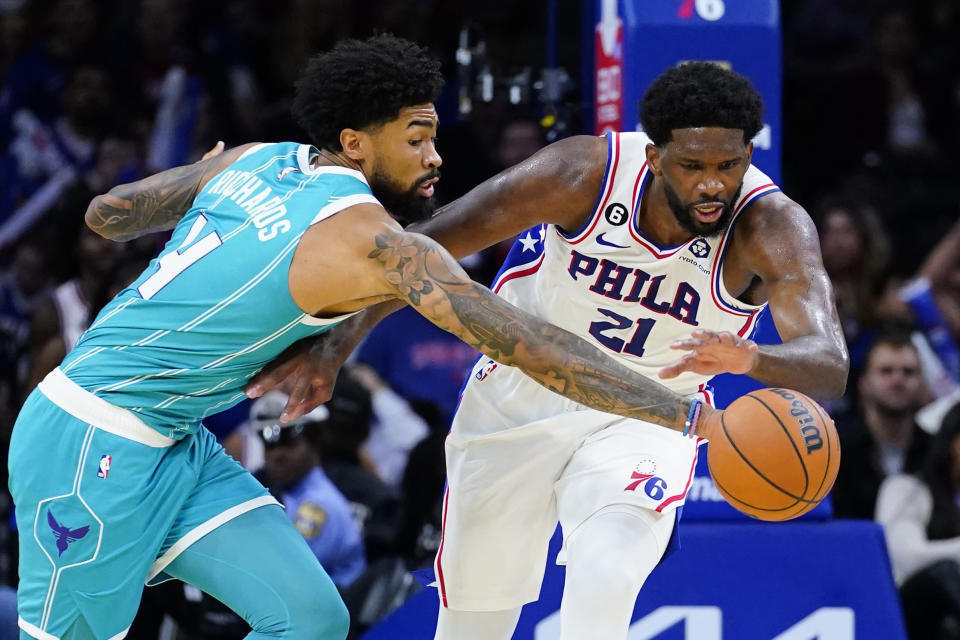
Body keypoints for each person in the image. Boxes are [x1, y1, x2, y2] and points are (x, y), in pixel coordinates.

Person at [9, 35, 729, 640]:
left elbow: (108, 214)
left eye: (435, 137)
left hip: (176, 440)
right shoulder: (379, 244)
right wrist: (687, 414)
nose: (436, 157)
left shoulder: (257, 158)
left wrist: (204, 175)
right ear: (355, 143)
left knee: (310, 619)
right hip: (89, 438)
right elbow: (529, 346)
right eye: (417, 139)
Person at [248, 62, 849, 640]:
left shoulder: (771, 226)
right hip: (521, 392)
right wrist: (335, 344)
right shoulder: (582, 173)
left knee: (607, 570)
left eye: (730, 164)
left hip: (649, 410)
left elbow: (829, 364)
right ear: (654, 155)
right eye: (693, 166)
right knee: (474, 623)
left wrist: (751, 360)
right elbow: (418, 253)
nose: (713, 183)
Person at [876, 400, 960, 640]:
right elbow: (907, 557)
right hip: (909, 612)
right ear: (952, 442)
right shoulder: (906, 490)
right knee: (944, 573)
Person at [833, 327, 932, 519]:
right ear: (864, 383)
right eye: (886, 371)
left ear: (922, 383)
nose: (898, 380)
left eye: (908, 372)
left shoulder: (936, 450)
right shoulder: (837, 449)